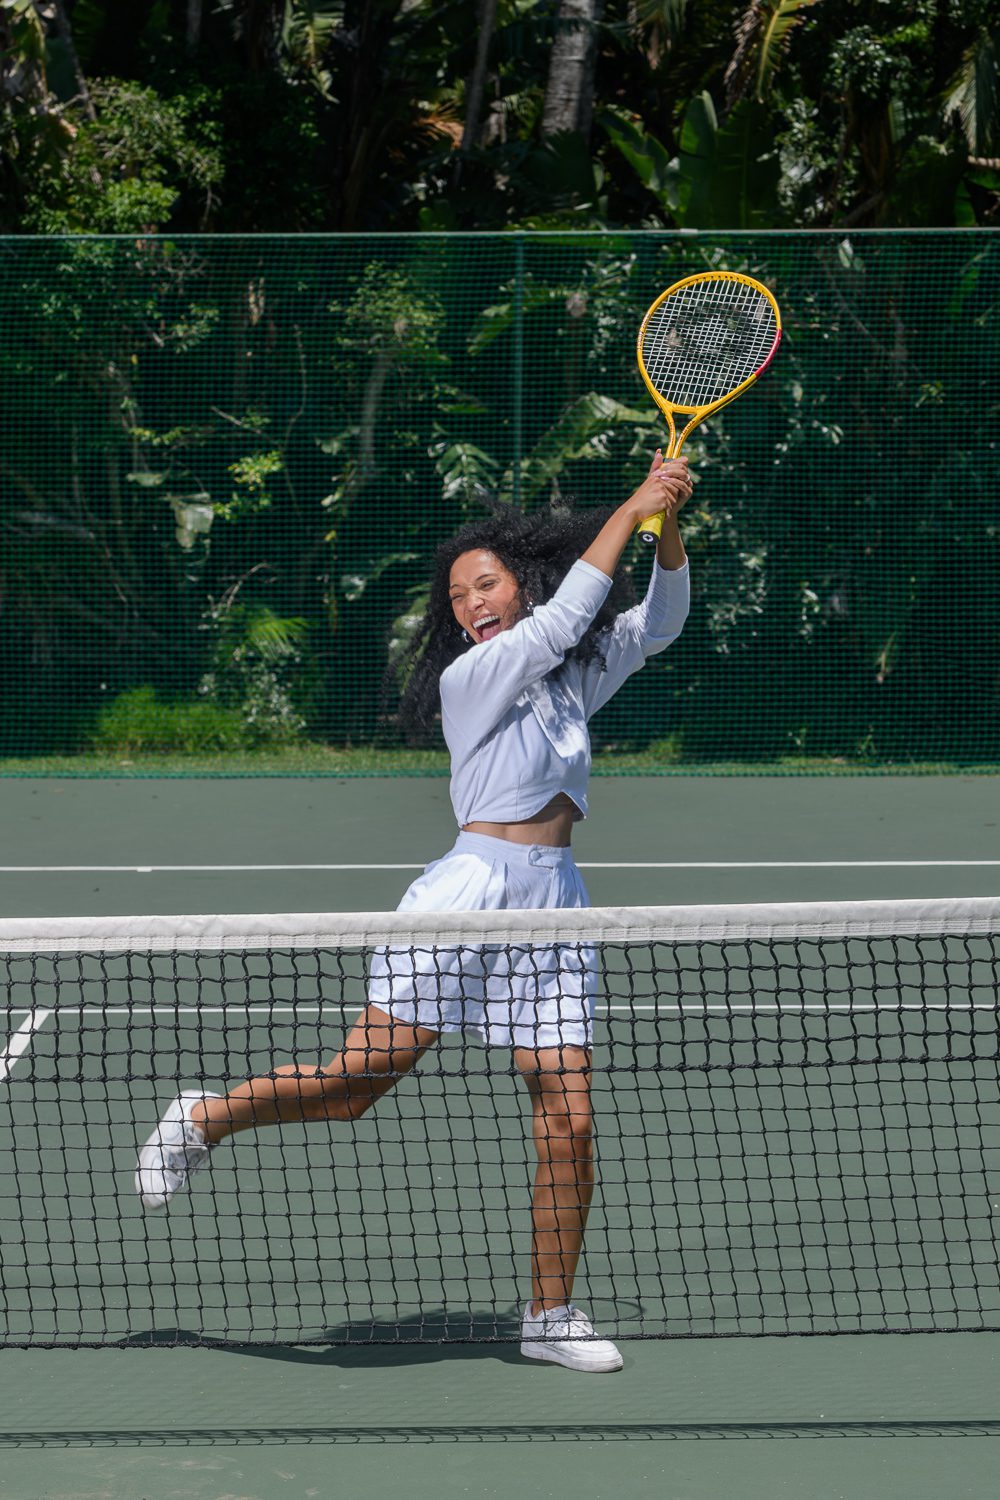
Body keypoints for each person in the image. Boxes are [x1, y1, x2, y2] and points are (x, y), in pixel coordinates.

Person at [135, 449, 693, 1374]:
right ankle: (204, 1119)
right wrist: (634, 506)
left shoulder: (568, 682)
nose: (473, 603)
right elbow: (566, 618)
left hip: (554, 907)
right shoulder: (475, 679)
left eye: (487, 583)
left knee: (570, 1119)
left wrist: (666, 522)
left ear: (522, 581)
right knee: (357, 1085)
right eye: (459, 595)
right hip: (467, 895)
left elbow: (661, 621)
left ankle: (548, 1315)